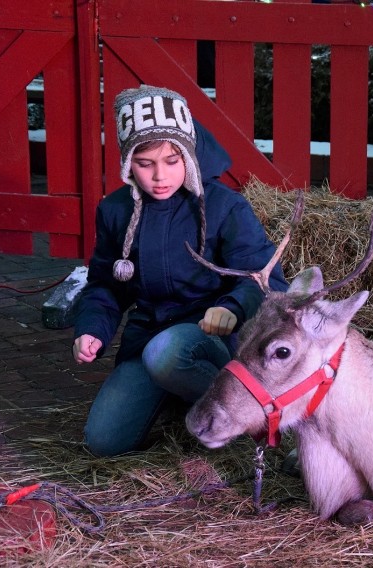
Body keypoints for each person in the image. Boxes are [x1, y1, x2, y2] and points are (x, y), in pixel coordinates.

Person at [72, 85, 287, 457]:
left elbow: (265, 277)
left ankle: (246, 415)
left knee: (167, 353)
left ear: (189, 153)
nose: (160, 176)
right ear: (127, 164)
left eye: (172, 160)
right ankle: (180, 395)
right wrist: (92, 328)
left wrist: (232, 308)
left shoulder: (225, 207)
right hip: (148, 336)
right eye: (145, 163)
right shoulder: (115, 211)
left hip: (211, 338)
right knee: (104, 441)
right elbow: (106, 285)